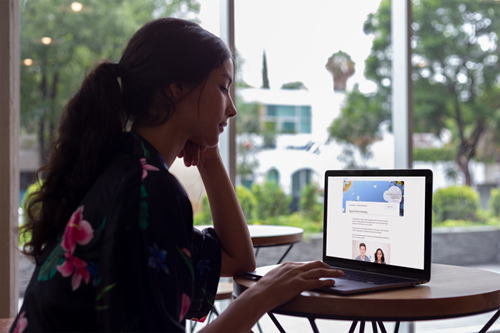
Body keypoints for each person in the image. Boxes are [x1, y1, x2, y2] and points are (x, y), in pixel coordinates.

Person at [11, 18, 343, 333]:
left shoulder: (123, 167)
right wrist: (263, 295)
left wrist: (210, 160)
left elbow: (239, 261)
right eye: (223, 88)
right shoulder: (149, 189)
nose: (232, 108)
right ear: (177, 87)